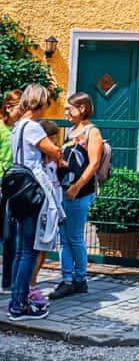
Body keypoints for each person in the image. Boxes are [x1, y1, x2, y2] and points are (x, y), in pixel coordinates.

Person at [7, 83, 62, 321]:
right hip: (34, 188)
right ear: (41, 102)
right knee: (29, 250)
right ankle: (19, 305)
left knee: (21, 250)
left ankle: (17, 300)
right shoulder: (33, 127)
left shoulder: (17, 126)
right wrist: (56, 150)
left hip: (19, 188)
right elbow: (55, 152)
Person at [50, 93, 104, 300]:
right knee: (65, 237)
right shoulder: (71, 132)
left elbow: (93, 163)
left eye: (69, 108)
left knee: (73, 237)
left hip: (79, 192)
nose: (65, 112)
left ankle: (77, 279)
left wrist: (77, 186)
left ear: (82, 108)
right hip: (65, 189)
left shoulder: (92, 132)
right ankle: (70, 278)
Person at [28, 118, 64, 308]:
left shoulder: (54, 159)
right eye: (53, 139)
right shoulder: (39, 160)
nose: (56, 144)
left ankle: (31, 282)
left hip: (53, 205)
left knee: (44, 249)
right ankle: (31, 284)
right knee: (38, 248)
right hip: (44, 206)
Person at [0, 89, 22, 295]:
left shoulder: (18, 129)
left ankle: (7, 282)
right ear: (8, 107)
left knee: (10, 236)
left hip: (13, 188)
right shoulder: (0, 128)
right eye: (20, 107)